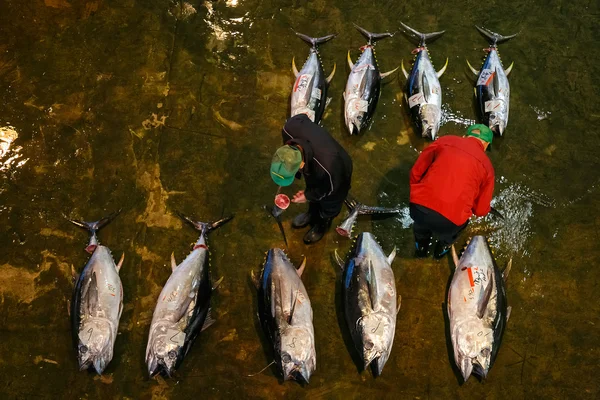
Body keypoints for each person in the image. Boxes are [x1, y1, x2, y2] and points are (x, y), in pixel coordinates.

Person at [409, 124, 495, 258]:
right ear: (486, 144)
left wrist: (417, 194)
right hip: (450, 222)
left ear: (465, 136)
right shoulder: (488, 167)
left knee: (420, 226)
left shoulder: (445, 141)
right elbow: (480, 211)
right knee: (453, 231)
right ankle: (442, 249)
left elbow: (415, 173)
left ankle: (420, 247)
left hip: (419, 209)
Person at [270, 114, 353, 244]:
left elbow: (327, 189)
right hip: (315, 161)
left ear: (301, 165)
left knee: (330, 203)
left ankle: (322, 223)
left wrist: (308, 196)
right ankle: (312, 213)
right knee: (312, 185)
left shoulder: (329, 169)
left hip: (339, 172)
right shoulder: (289, 128)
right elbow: (303, 116)